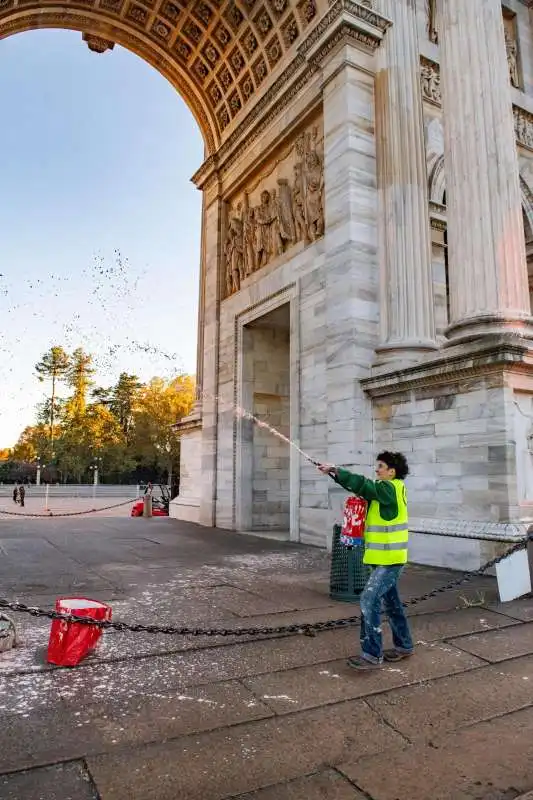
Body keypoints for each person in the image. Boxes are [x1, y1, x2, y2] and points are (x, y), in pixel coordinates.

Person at [318, 452, 414, 670]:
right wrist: (335, 475)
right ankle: (404, 645)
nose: (377, 470)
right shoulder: (389, 491)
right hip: (386, 559)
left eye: (381, 466)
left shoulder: (388, 488)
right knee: (392, 604)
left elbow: (364, 485)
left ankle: (372, 654)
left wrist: (337, 469)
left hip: (389, 560)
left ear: (392, 471)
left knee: (368, 600)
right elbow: (362, 489)